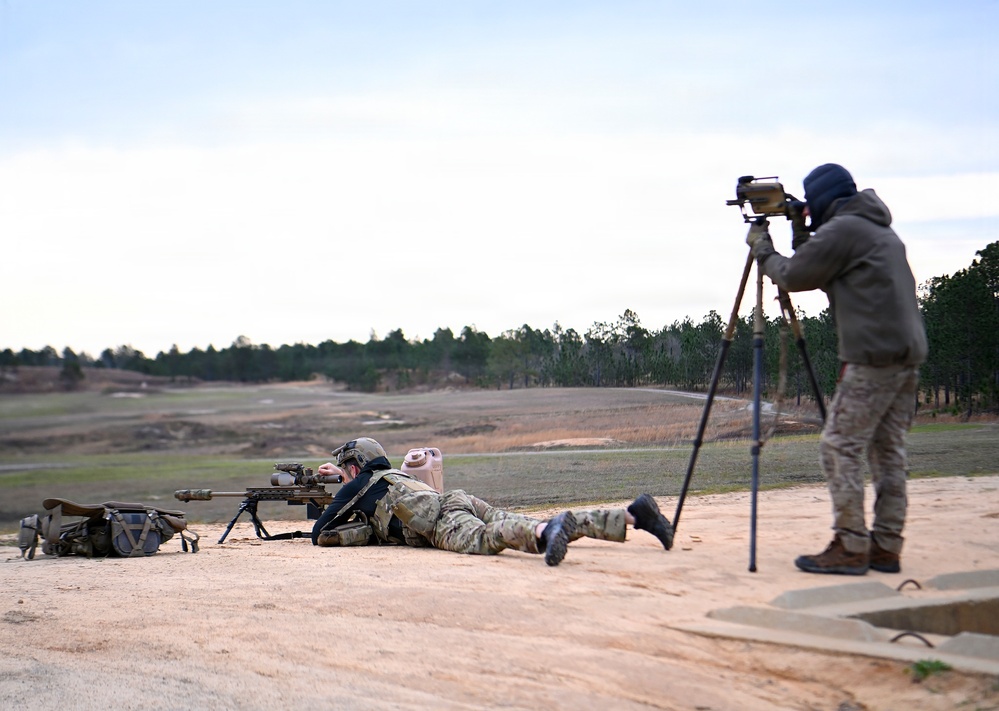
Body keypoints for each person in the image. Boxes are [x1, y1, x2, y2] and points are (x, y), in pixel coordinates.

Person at [746, 163, 928, 576]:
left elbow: (795, 275)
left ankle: (849, 545)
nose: (808, 214)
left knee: (839, 445)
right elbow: (823, 269)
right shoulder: (874, 228)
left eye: (811, 207)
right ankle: (885, 546)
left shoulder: (844, 231)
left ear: (824, 201)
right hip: (905, 356)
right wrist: (800, 232)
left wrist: (763, 249)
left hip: (873, 359)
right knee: (887, 452)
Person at [310, 437, 674, 566]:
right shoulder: (391, 476)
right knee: (517, 519)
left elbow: (320, 531)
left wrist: (342, 491)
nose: (343, 476)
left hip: (439, 522)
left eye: (345, 470)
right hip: (457, 499)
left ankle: (548, 533)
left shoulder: (357, 485)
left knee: (488, 538)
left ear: (354, 466)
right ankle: (631, 515)